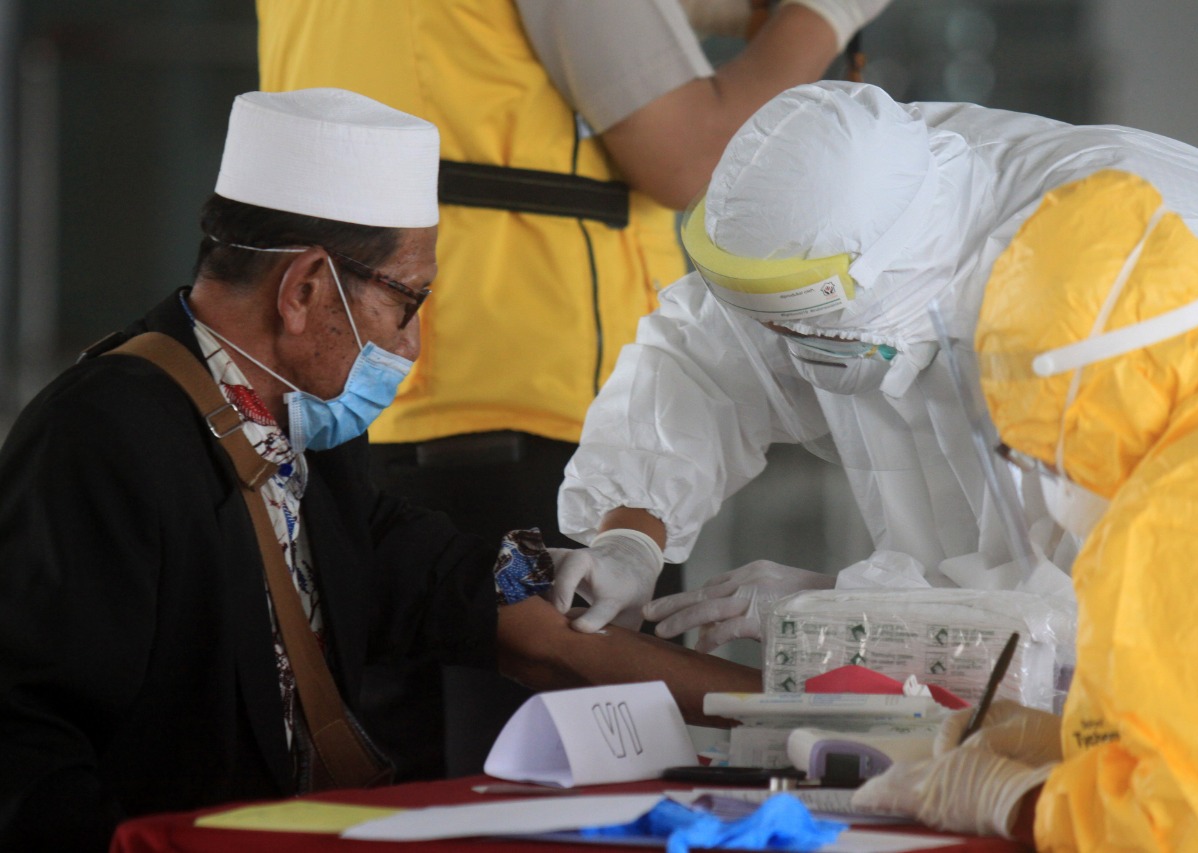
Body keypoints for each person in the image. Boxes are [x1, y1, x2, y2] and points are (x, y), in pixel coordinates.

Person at [0, 87, 759, 852]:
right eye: (408, 300)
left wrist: (802, 716)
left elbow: (509, 616)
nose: (413, 344)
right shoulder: (101, 437)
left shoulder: (303, 429)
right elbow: (25, 745)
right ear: (303, 290)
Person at [556, 80, 1198, 647]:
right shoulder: (848, 205)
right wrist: (629, 535)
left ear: (882, 278)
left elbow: (1130, 619)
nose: (779, 341)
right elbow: (704, 362)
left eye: (798, 325)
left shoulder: (1116, 288)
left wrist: (852, 619)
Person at [254, 0, 892, 598]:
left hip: (353, 397)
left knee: (398, 704)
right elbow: (688, 152)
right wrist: (825, 14)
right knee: (572, 705)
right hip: (534, 413)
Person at [847, 168, 1198, 849]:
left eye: (1042, 454)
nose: (1047, 478)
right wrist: (1076, 746)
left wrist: (1014, 799)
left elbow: (1197, 827)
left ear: (1083, 407)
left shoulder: (1174, 524)